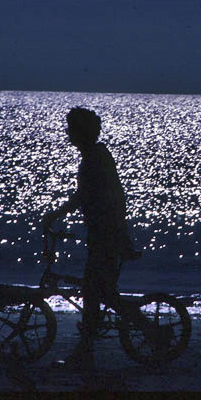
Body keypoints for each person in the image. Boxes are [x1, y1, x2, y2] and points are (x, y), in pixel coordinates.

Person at [42, 107, 142, 373]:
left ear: (81, 132)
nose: (68, 133)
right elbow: (87, 196)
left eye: (71, 128)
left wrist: (56, 214)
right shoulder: (94, 156)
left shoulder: (95, 158)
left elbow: (98, 197)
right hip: (104, 234)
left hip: (107, 236)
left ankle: (86, 353)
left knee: (94, 291)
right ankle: (87, 351)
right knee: (100, 292)